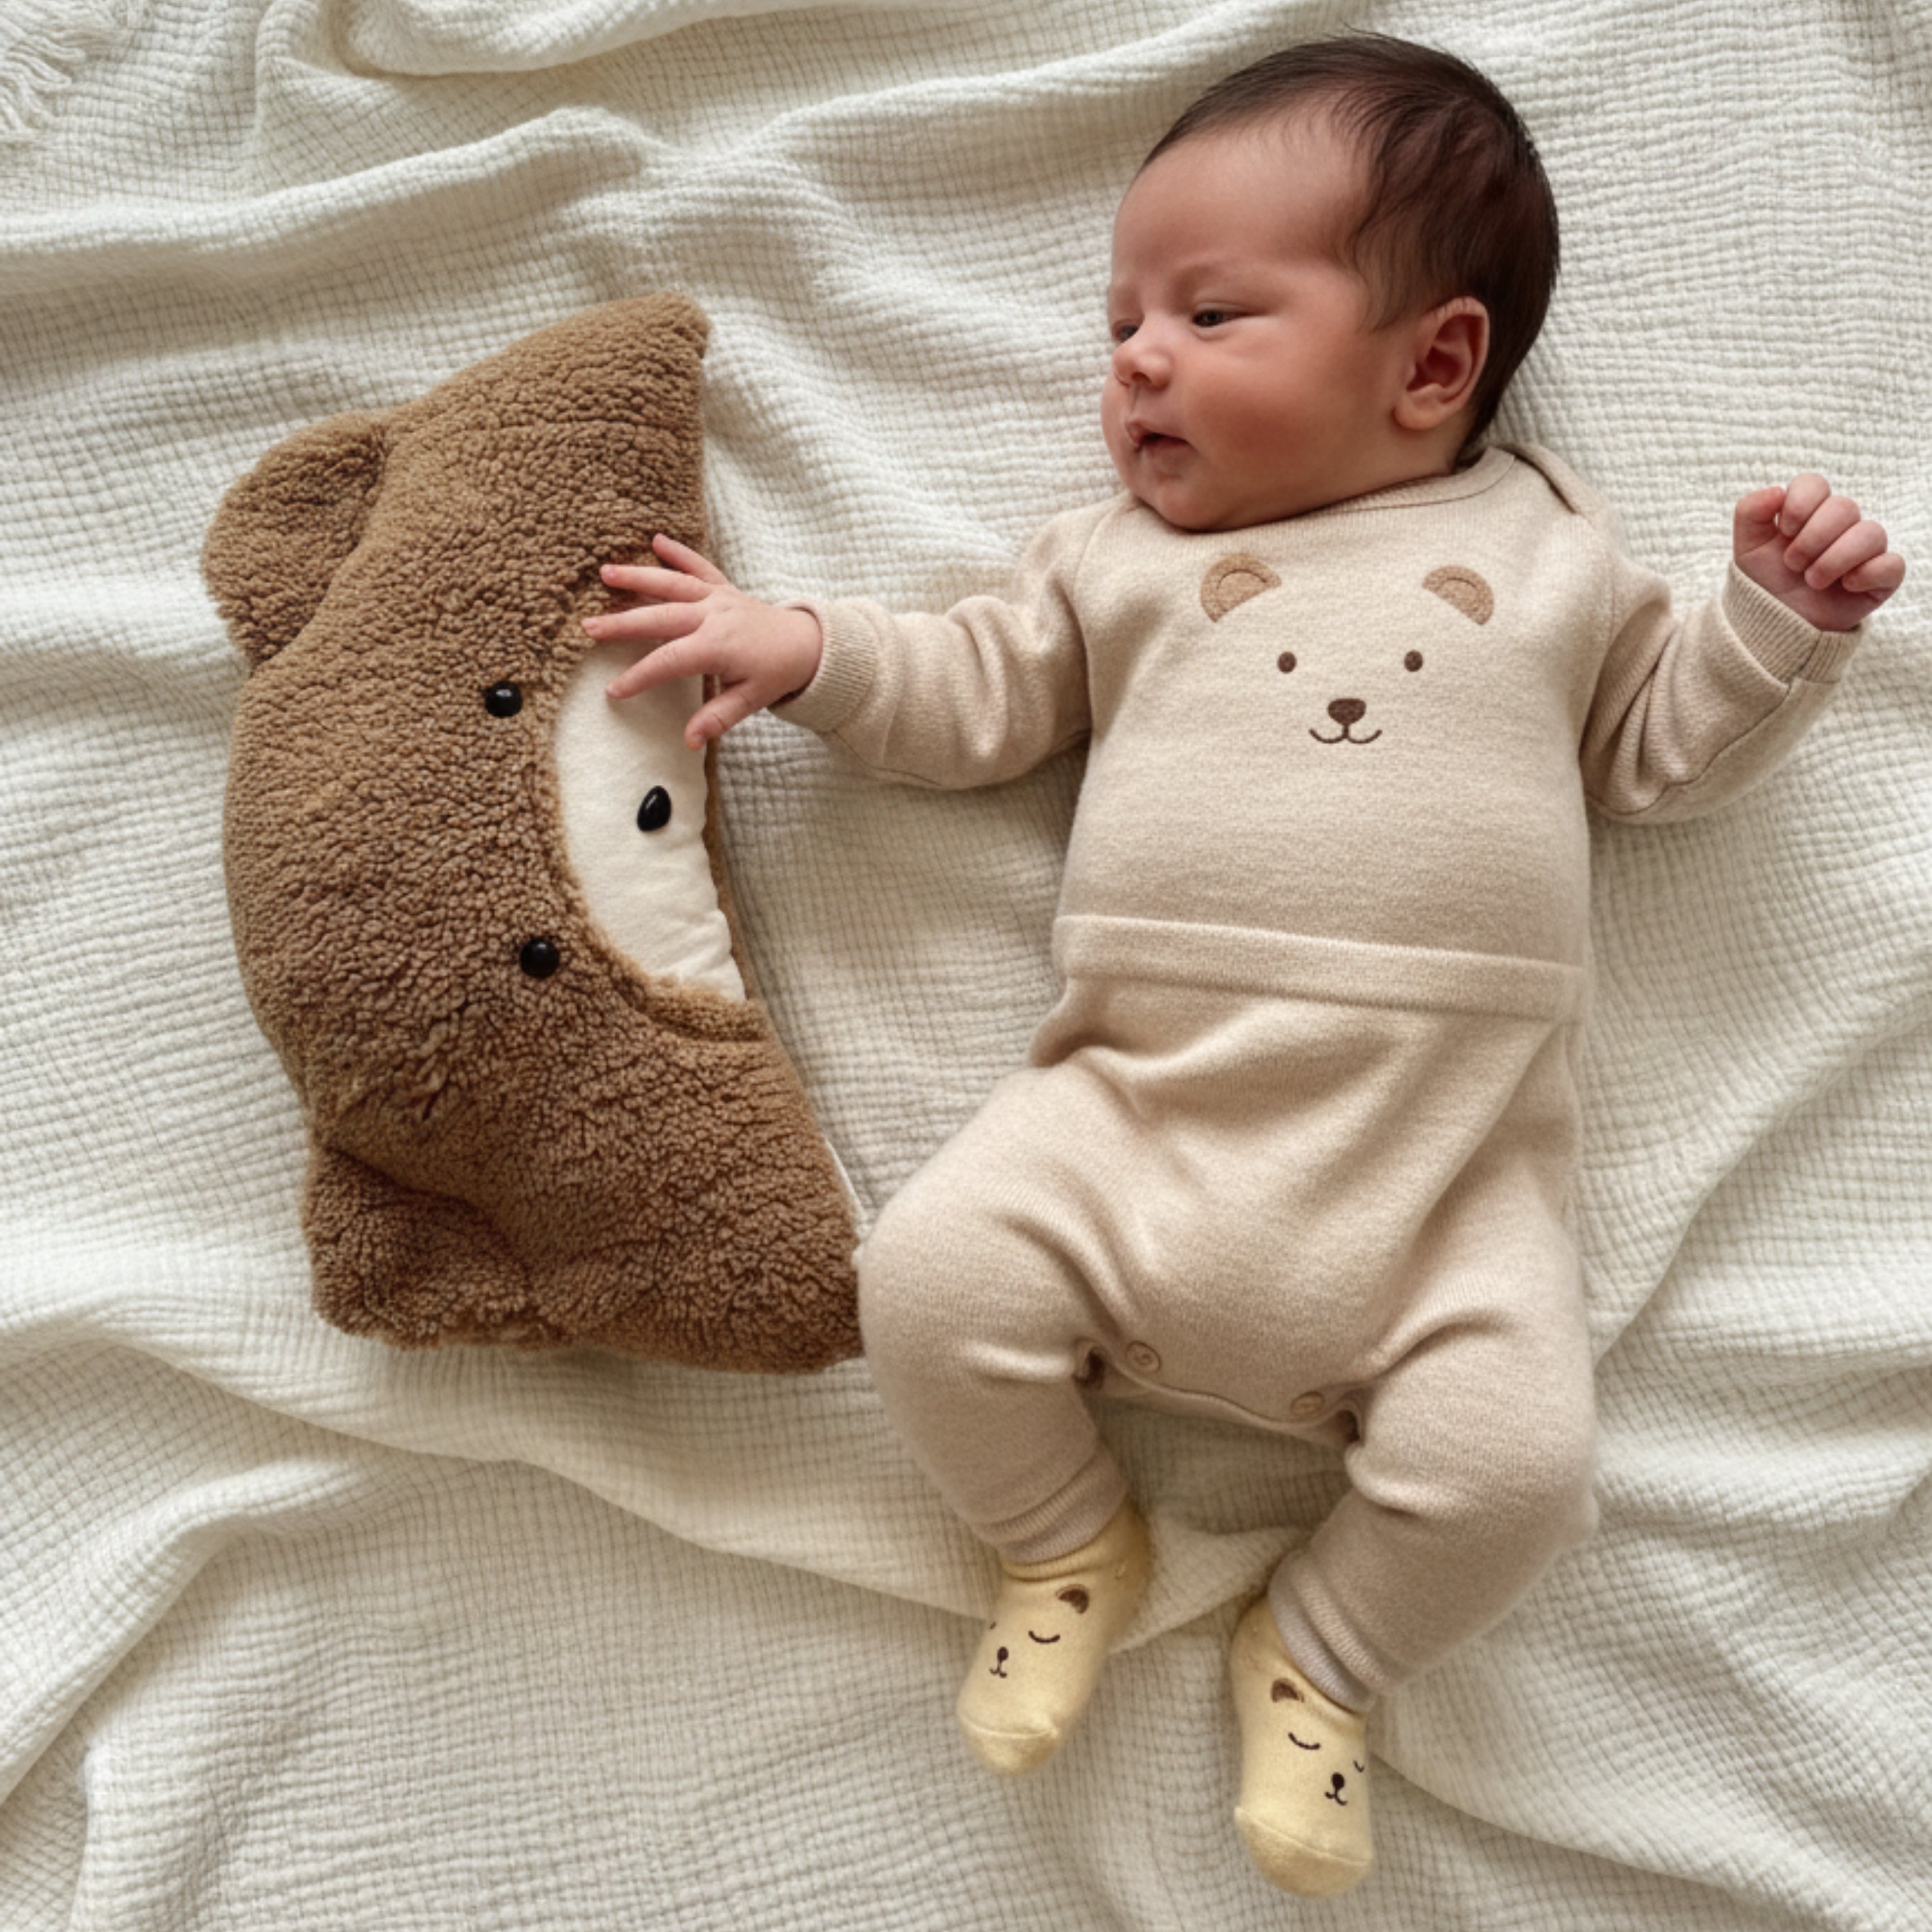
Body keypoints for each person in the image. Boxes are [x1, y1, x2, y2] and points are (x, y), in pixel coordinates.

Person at [586, 35, 1905, 1897]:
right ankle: (1063, 1545)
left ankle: (1323, 1657)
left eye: (1207, 310)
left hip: (1442, 1188)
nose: (1133, 355)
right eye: (1123, 314)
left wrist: (1778, 625)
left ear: (1435, 363)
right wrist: (805, 644)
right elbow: (977, 691)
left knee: (1517, 1468)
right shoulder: (1112, 564)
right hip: (1129, 1120)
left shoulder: (1543, 553)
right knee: (930, 1282)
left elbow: (1659, 751)